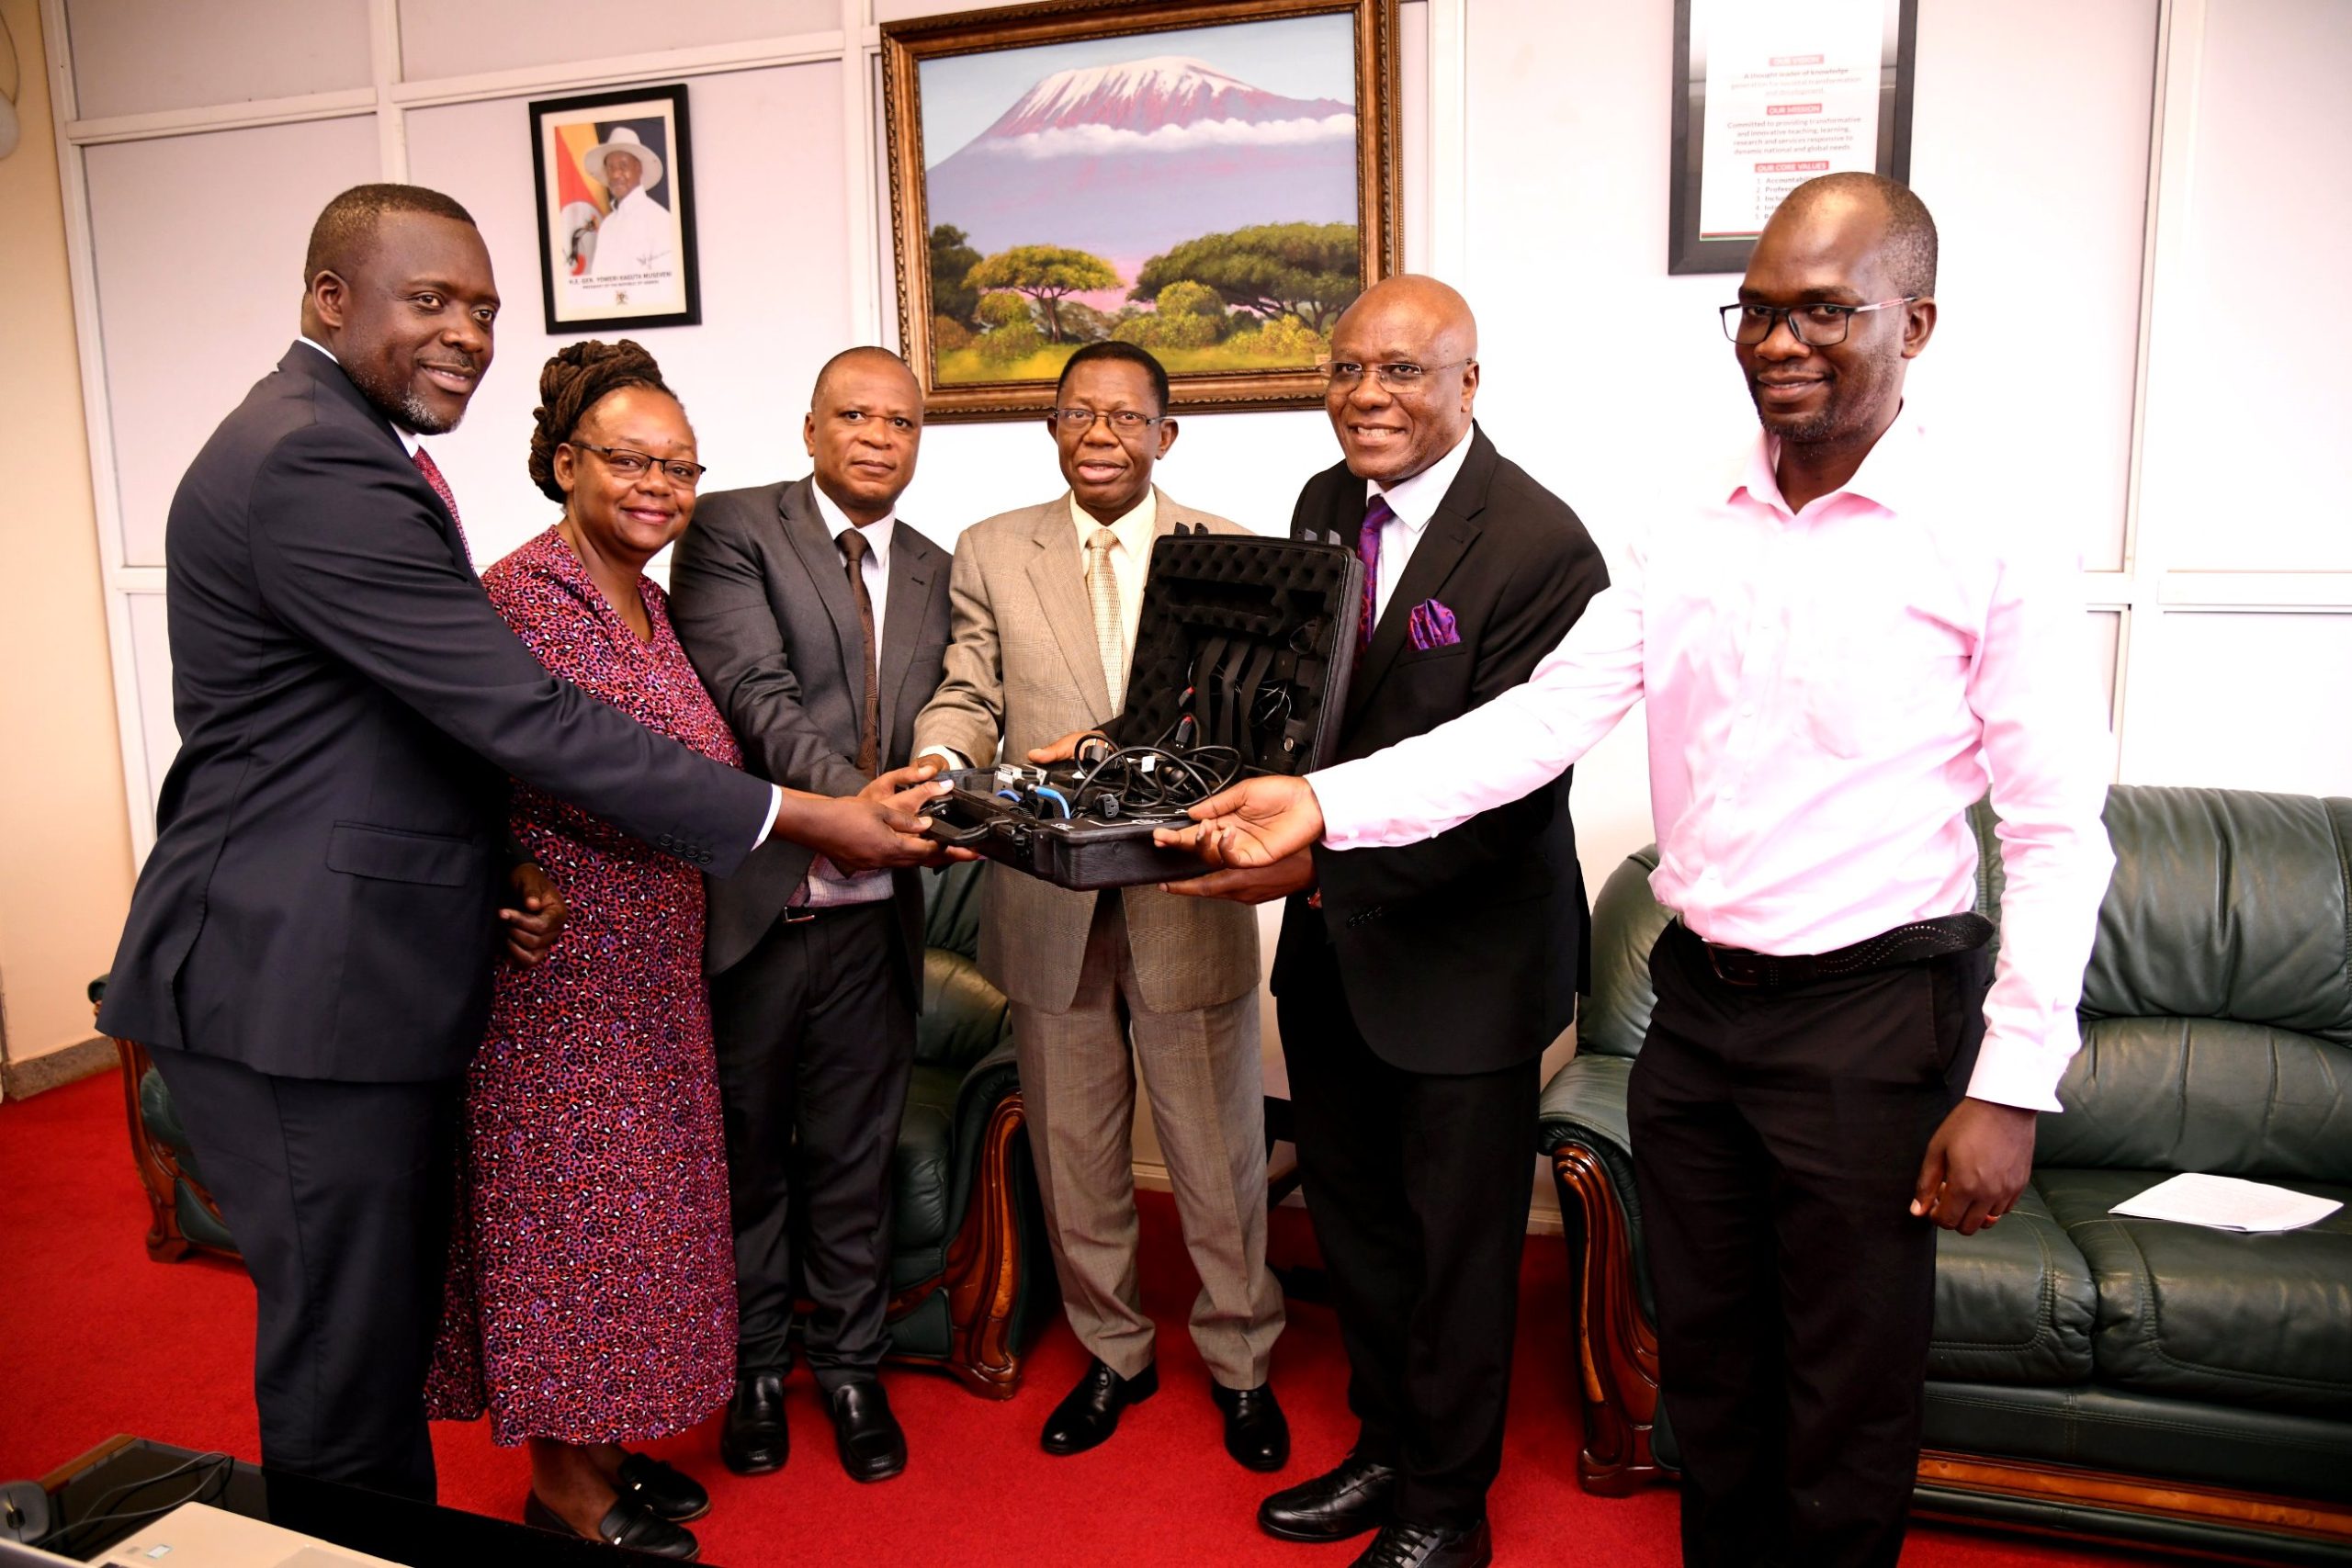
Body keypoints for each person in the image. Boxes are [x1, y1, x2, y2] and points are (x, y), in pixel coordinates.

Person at [1159, 175, 2117, 1568]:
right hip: (1699, 1014)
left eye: (1825, 312)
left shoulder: (1991, 534)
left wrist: (2011, 1081)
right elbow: (1534, 722)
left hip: (1873, 1016)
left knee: (1845, 1389)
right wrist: (1315, 797)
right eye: (1761, 310)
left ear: (1915, 321)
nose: (1782, 341)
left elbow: (2054, 827)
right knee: (1710, 1373)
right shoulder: (1697, 524)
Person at [96, 184, 946, 1504]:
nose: (466, 334)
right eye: (428, 300)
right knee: (342, 1360)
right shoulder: (314, 454)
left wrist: (503, 863)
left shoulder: (362, 448)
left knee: (373, 1334)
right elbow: (516, 714)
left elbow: (408, 735)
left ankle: (557, 1468)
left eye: (482, 308)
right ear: (331, 298)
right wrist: (803, 813)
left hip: (382, 965)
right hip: (290, 978)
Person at [1165, 276, 1608, 1568]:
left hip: (1463, 957)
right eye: (1348, 366)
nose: (1368, 394)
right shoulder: (1321, 505)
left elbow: (1506, 785)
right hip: (1336, 955)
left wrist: (1308, 870)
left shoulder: (1540, 546)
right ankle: (1384, 1444)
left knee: (1456, 1249)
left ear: (1469, 383)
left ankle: (1445, 1506)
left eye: (1404, 370)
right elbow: (1297, 714)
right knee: (1355, 1225)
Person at [911, 341, 1289, 1471]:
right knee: (1075, 1154)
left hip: (1183, 893)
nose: (1100, 435)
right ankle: (1114, 1353)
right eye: (1078, 414)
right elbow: (969, 687)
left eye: (1126, 417)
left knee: (1216, 1154)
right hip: (1045, 908)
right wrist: (941, 760)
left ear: (1164, 435)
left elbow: (1251, 727)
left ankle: (1241, 1362)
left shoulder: (1229, 553)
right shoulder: (990, 549)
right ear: (1052, 429)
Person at [424, 341, 737, 1558]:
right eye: (627, 459)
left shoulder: (645, 599)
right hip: (560, 972)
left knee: (641, 1220)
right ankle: (562, 1482)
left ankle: (606, 1441)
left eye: (679, 464)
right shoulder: (524, 597)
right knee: (569, 1221)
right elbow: (569, 774)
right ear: (565, 463)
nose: (657, 484)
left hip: (651, 966)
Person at [667, 348, 954, 1485]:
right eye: (854, 415)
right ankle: (750, 1369)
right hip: (760, 906)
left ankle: (849, 1366)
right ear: (809, 429)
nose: (877, 437)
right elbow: (753, 698)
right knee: (747, 1156)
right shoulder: (734, 528)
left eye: (899, 421)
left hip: (878, 922)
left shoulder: (938, 566)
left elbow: (956, 712)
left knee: (853, 1155)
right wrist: (855, 813)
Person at [582, 127, 674, 282]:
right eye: (610, 168)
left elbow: (666, 287)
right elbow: (598, 283)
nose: (616, 174)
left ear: (638, 168)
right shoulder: (607, 226)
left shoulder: (661, 221)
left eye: (623, 166)